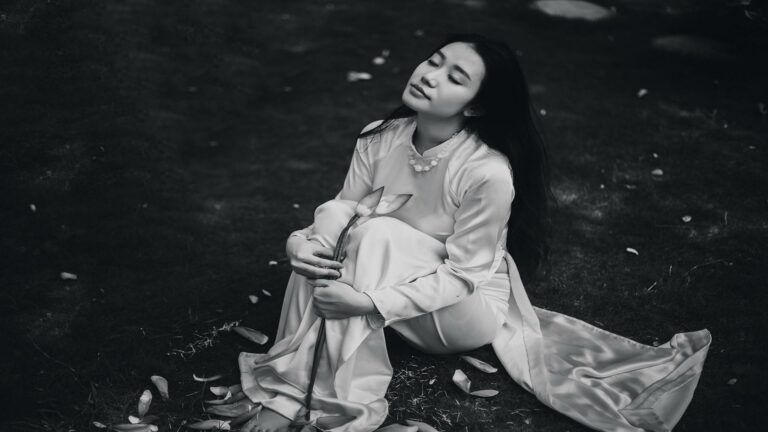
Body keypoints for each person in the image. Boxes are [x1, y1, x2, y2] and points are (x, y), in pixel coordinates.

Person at [227, 33, 712, 432]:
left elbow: (464, 276)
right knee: (336, 218)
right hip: (386, 280)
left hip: (457, 314)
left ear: (476, 108)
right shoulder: (378, 135)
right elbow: (341, 212)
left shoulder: (487, 173)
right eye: (434, 61)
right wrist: (298, 245)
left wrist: (369, 304)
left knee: (375, 235)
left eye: (454, 77)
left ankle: (313, 399)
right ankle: (292, 385)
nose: (429, 75)